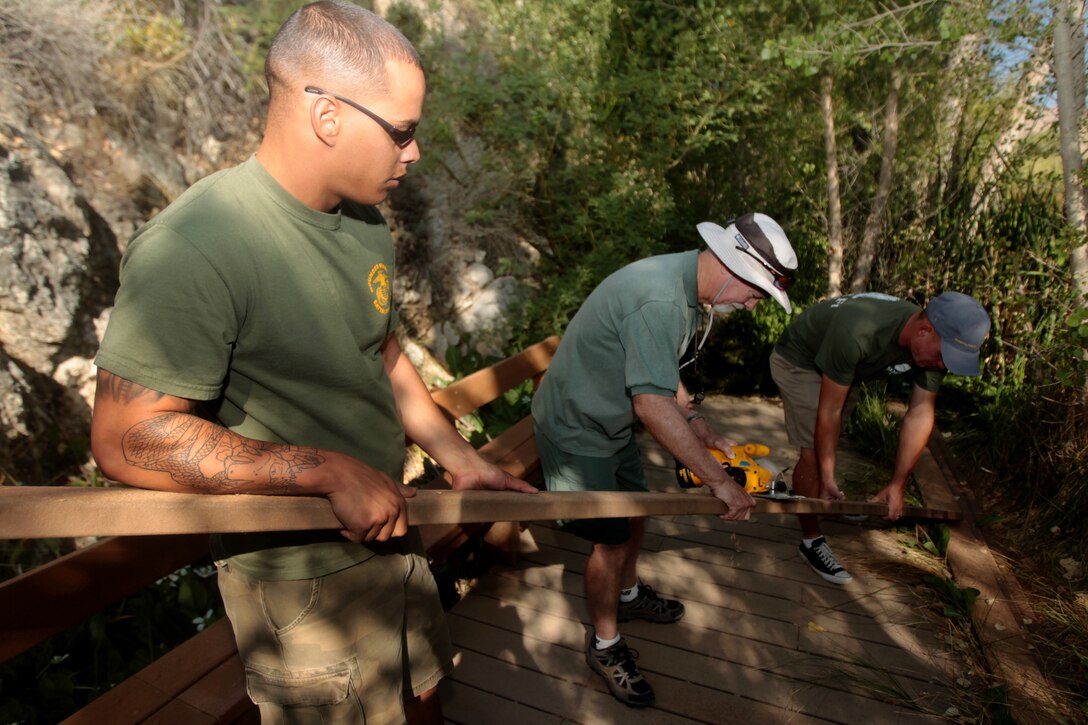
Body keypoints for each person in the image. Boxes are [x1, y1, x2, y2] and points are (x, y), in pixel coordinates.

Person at [89, 3, 536, 723]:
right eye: (402, 132)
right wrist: (325, 470)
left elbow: (382, 350)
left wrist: (457, 456)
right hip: (300, 586)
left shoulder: (363, 221)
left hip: (396, 533)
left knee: (426, 696)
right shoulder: (196, 246)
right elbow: (126, 438)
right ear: (327, 115)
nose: (414, 152)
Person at [530, 213, 799, 707]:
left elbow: (660, 371)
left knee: (636, 512)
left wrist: (698, 426)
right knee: (609, 541)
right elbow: (651, 404)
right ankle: (605, 644)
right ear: (733, 266)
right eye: (757, 292)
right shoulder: (660, 298)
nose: (752, 303)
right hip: (577, 426)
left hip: (608, 421)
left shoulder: (682, 284)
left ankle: (628, 597)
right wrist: (719, 481)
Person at [770, 291, 990, 584]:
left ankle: (826, 493)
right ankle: (811, 539)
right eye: (942, 357)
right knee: (813, 450)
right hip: (801, 360)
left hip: (847, 368)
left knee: (828, 444)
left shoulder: (932, 343)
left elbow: (920, 413)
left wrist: (898, 484)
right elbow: (829, 414)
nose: (942, 366)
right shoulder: (859, 331)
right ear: (924, 330)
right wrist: (827, 472)